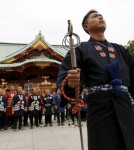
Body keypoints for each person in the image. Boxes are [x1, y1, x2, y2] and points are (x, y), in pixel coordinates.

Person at [57, 10, 134, 150]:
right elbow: (65, 78)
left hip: (125, 106)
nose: (100, 17)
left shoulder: (121, 50)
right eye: (95, 16)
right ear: (86, 26)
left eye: (101, 15)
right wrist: (70, 81)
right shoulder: (80, 50)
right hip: (100, 108)